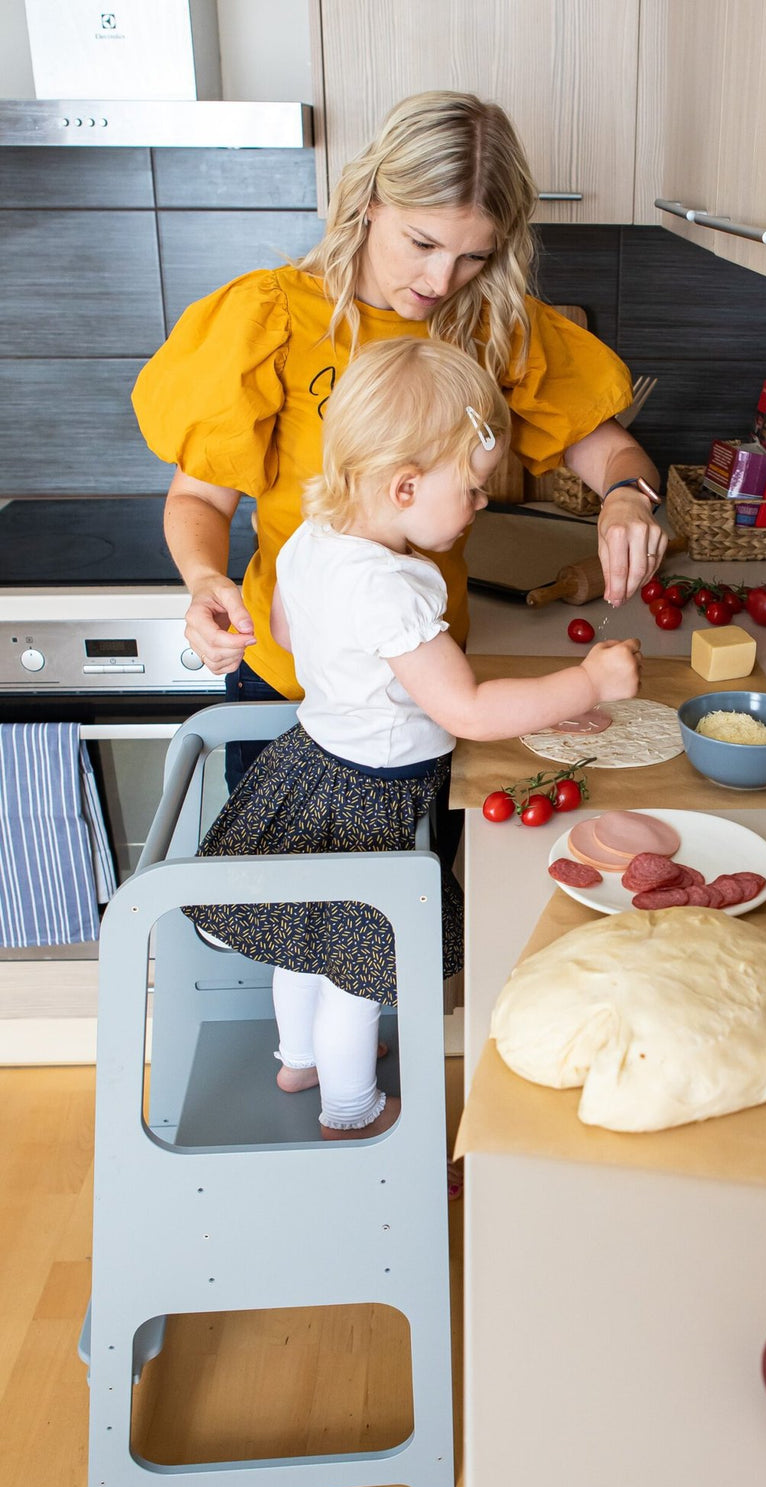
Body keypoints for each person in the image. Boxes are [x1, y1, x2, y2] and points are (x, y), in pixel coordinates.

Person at [132, 88, 665, 789]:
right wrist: (205, 580)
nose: (442, 280)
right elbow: (198, 496)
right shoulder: (274, 319)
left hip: (427, 683)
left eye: (474, 255)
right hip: (286, 681)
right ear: (370, 202)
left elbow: (607, 447)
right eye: (422, 243)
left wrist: (629, 494)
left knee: (405, 883)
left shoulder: (488, 322)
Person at [184, 336, 642, 1140]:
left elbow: (289, 637)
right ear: (404, 486)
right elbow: (464, 710)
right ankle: (350, 1106)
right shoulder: (392, 589)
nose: (481, 505)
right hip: (372, 797)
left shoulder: (309, 543)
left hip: (309, 765)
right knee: (358, 971)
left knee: (306, 938)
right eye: (470, 488)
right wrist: (589, 683)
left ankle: (297, 1058)